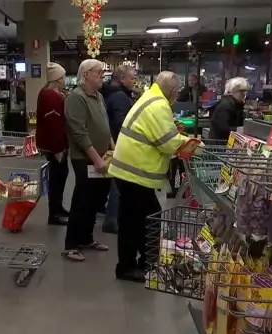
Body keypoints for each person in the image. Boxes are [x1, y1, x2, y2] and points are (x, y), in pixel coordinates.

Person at [108, 71, 200, 282]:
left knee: (139, 218)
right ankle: (130, 267)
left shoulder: (150, 98)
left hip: (131, 171)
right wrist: (199, 147)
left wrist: (173, 133)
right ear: (174, 91)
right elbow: (168, 143)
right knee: (140, 220)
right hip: (135, 173)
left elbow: (158, 134)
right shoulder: (159, 105)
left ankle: (143, 262)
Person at [62, 59, 113, 262]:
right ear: (86, 75)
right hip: (85, 159)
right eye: (98, 72)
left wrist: (112, 148)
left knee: (96, 200)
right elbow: (79, 133)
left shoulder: (98, 96)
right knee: (82, 200)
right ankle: (71, 244)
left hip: (102, 157)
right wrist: (96, 160)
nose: (102, 74)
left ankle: (87, 238)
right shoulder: (76, 98)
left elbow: (105, 125)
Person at [100, 65, 137, 234]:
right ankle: (112, 220)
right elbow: (121, 123)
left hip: (113, 143)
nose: (134, 81)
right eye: (132, 78)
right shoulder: (120, 97)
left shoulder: (110, 93)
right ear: (122, 78)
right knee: (117, 184)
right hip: (120, 144)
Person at [35, 62, 69, 226]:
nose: (64, 80)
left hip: (50, 142)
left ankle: (57, 208)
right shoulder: (51, 96)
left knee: (59, 175)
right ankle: (54, 213)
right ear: (57, 78)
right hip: (54, 144)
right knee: (58, 177)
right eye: (62, 77)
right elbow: (53, 124)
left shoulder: (47, 93)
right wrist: (59, 148)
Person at [208, 77, 248, 142]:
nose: (243, 94)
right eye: (240, 91)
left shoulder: (237, 105)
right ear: (231, 91)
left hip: (226, 143)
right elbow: (223, 128)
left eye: (244, 91)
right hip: (219, 144)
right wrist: (241, 129)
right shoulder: (225, 106)